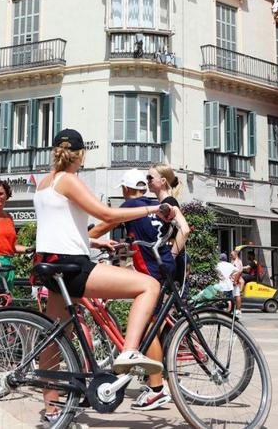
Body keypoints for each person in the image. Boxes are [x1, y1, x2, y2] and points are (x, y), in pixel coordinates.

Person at [31, 128, 179, 425]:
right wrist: (156, 207)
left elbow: (60, 225)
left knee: (57, 337)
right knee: (148, 285)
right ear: (81, 154)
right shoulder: (69, 180)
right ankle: (129, 352)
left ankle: (52, 410)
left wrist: (95, 242)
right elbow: (107, 215)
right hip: (73, 267)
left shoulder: (44, 183)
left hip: (49, 265)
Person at [90, 166, 190, 411]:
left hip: (153, 271)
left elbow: (102, 227)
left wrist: (81, 240)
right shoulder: (154, 205)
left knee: (147, 326)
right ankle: (153, 378)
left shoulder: (129, 207)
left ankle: (157, 388)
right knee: (150, 323)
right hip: (165, 266)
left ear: (126, 189)